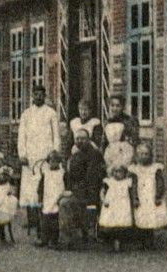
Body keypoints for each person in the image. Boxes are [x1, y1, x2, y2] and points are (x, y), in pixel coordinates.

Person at [15, 85, 59, 235]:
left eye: (41, 94)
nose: (38, 97)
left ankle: (45, 219)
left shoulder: (51, 113)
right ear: (32, 96)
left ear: (44, 96)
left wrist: (55, 153)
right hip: (30, 157)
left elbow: (56, 136)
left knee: (45, 187)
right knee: (30, 189)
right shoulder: (26, 114)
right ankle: (32, 220)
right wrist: (22, 154)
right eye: (36, 95)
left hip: (46, 156)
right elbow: (21, 136)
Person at [63, 129, 105, 248]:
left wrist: (74, 191)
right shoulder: (75, 155)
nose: (80, 141)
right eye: (77, 139)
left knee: (65, 203)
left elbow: (91, 178)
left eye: (83, 138)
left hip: (90, 192)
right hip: (77, 190)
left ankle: (69, 239)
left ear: (89, 139)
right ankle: (60, 236)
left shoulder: (94, 154)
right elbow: (70, 176)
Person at [131, 142, 167, 247]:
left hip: (151, 195)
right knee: (141, 217)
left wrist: (158, 195)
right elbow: (134, 185)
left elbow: (160, 183)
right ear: (137, 156)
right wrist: (135, 198)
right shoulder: (135, 169)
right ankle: (141, 240)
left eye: (146, 154)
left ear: (150, 155)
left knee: (150, 217)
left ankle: (149, 240)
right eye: (141, 154)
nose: (144, 156)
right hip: (141, 195)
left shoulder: (155, 168)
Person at [99, 162, 139, 252]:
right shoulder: (109, 182)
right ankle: (111, 243)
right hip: (111, 205)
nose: (118, 174)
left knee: (122, 224)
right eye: (116, 172)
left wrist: (134, 200)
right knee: (110, 223)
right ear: (112, 173)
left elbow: (132, 193)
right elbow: (102, 192)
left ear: (124, 173)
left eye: (120, 172)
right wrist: (103, 200)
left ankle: (121, 243)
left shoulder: (127, 182)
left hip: (123, 205)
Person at [37, 147, 66, 248]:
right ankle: (44, 239)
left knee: (55, 221)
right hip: (47, 198)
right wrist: (40, 199)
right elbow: (40, 187)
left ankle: (54, 240)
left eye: (56, 161)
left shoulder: (62, 173)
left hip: (57, 197)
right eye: (51, 161)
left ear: (59, 162)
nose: (53, 163)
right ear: (48, 162)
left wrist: (63, 196)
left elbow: (66, 185)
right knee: (45, 220)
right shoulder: (46, 173)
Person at [102, 94, 137, 171]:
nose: (115, 108)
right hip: (110, 154)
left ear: (122, 107)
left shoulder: (129, 121)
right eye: (112, 105)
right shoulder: (107, 122)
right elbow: (104, 141)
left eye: (118, 106)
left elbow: (134, 141)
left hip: (125, 154)